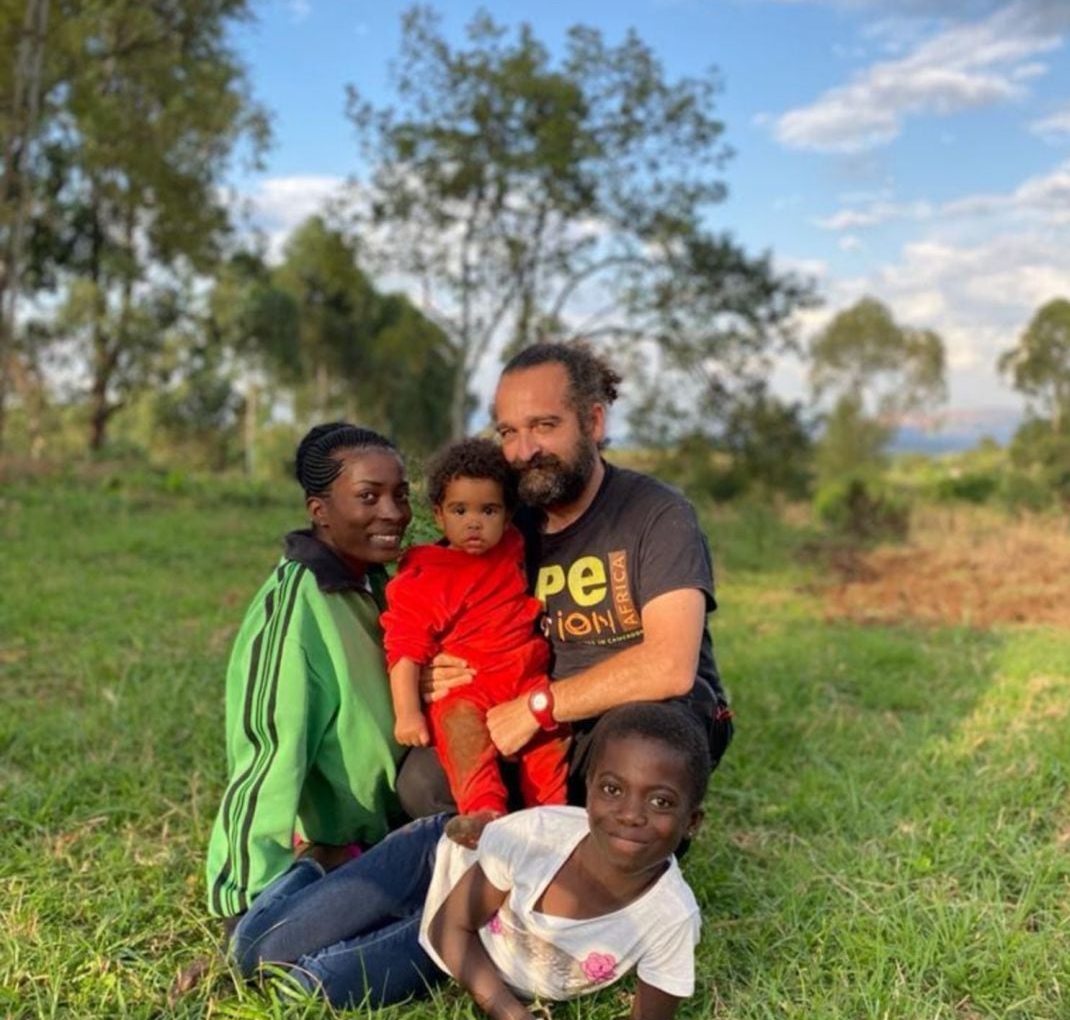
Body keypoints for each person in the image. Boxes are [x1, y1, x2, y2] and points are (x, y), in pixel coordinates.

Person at [231, 702, 707, 1020]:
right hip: (435, 863)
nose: (630, 814)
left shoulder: (669, 916)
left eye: (661, 802)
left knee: (304, 987)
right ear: (589, 792)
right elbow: (449, 929)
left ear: (692, 822)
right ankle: (315, 864)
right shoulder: (536, 839)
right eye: (612, 789)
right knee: (255, 951)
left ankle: (376, 913)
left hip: (464, 937)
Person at [395, 340, 732, 819]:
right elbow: (437, 603)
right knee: (422, 782)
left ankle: (605, 879)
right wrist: (435, 672)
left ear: (593, 423)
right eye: (507, 432)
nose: (523, 450)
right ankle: (502, 869)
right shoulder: (501, 524)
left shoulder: (657, 513)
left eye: (544, 426)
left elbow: (670, 666)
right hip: (521, 716)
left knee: (642, 751)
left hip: (628, 715)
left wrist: (538, 706)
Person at [204, 421, 412, 935]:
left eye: (400, 495)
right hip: (347, 847)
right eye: (368, 496)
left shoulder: (383, 581)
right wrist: (240, 907)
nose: (393, 513)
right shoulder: (296, 607)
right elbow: (267, 756)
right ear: (319, 511)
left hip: (403, 817)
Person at [381, 438, 568, 848]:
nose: (474, 523)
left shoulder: (513, 546)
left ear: (508, 514)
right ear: (439, 514)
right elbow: (404, 647)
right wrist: (408, 713)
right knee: (464, 740)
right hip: (468, 687)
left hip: (524, 678)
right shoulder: (427, 574)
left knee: (549, 745)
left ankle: (552, 821)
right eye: (459, 510)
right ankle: (485, 814)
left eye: (489, 510)